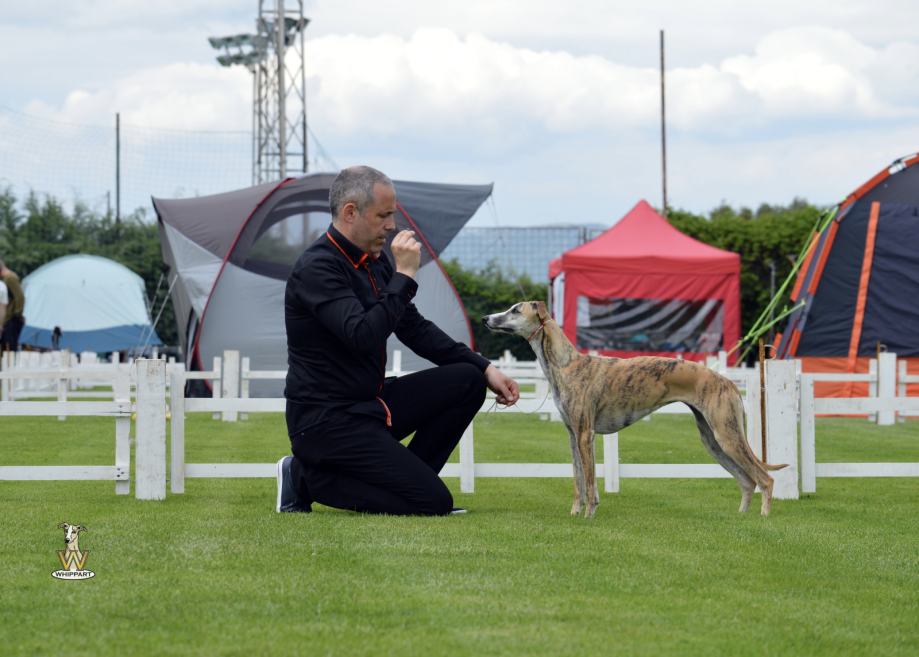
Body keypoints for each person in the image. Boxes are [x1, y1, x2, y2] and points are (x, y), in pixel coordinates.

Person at [277, 165, 519, 516]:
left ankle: (410, 482)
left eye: (393, 214)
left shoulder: (373, 263)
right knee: (434, 502)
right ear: (350, 212)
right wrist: (404, 274)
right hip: (327, 422)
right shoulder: (317, 268)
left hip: (370, 405)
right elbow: (362, 336)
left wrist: (485, 368)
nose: (392, 225)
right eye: (383, 215)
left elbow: (414, 329)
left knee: (467, 380)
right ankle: (301, 477)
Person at [0, 258, 25, 354]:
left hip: (12, 319)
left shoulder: (10, 278)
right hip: (9, 318)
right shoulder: (6, 278)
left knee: (10, 347)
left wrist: (17, 314)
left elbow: (20, 297)